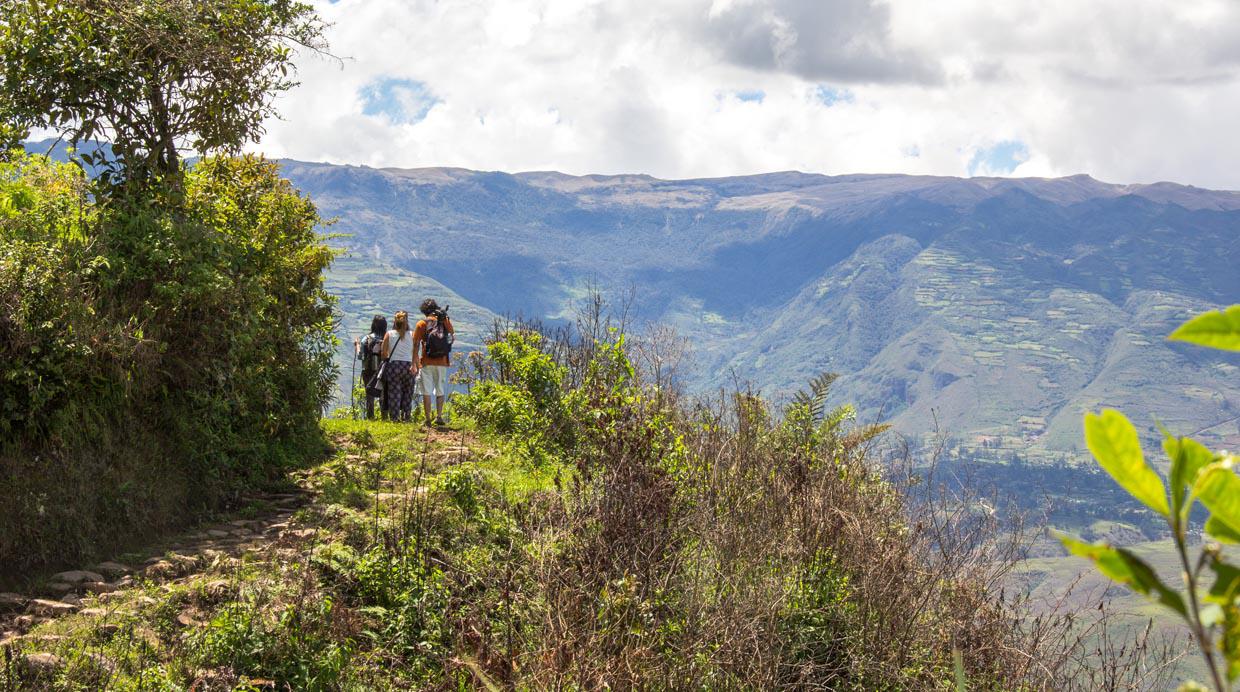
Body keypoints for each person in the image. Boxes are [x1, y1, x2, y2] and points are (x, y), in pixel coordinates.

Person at [412, 298, 454, 427]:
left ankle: (428, 419)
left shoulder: (422, 323)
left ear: (424, 311)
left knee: (426, 390)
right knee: (440, 388)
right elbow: (451, 333)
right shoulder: (444, 321)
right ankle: (439, 417)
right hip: (442, 360)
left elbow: (415, 344)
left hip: (426, 361)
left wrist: (415, 362)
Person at [381, 310, 416, 422]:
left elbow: (383, 353)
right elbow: (415, 351)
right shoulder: (412, 334)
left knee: (394, 393)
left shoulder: (389, 334)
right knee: (408, 392)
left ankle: (395, 418)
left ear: (395, 321)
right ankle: (406, 417)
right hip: (409, 366)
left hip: (394, 366)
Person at [354, 315, 387, 420]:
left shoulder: (366, 339)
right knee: (383, 392)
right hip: (383, 369)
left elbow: (360, 356)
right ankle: (384, 416)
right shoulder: (387, 338)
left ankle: (370, 417)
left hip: (368, 369)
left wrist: (357, 345)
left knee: (369, 394)